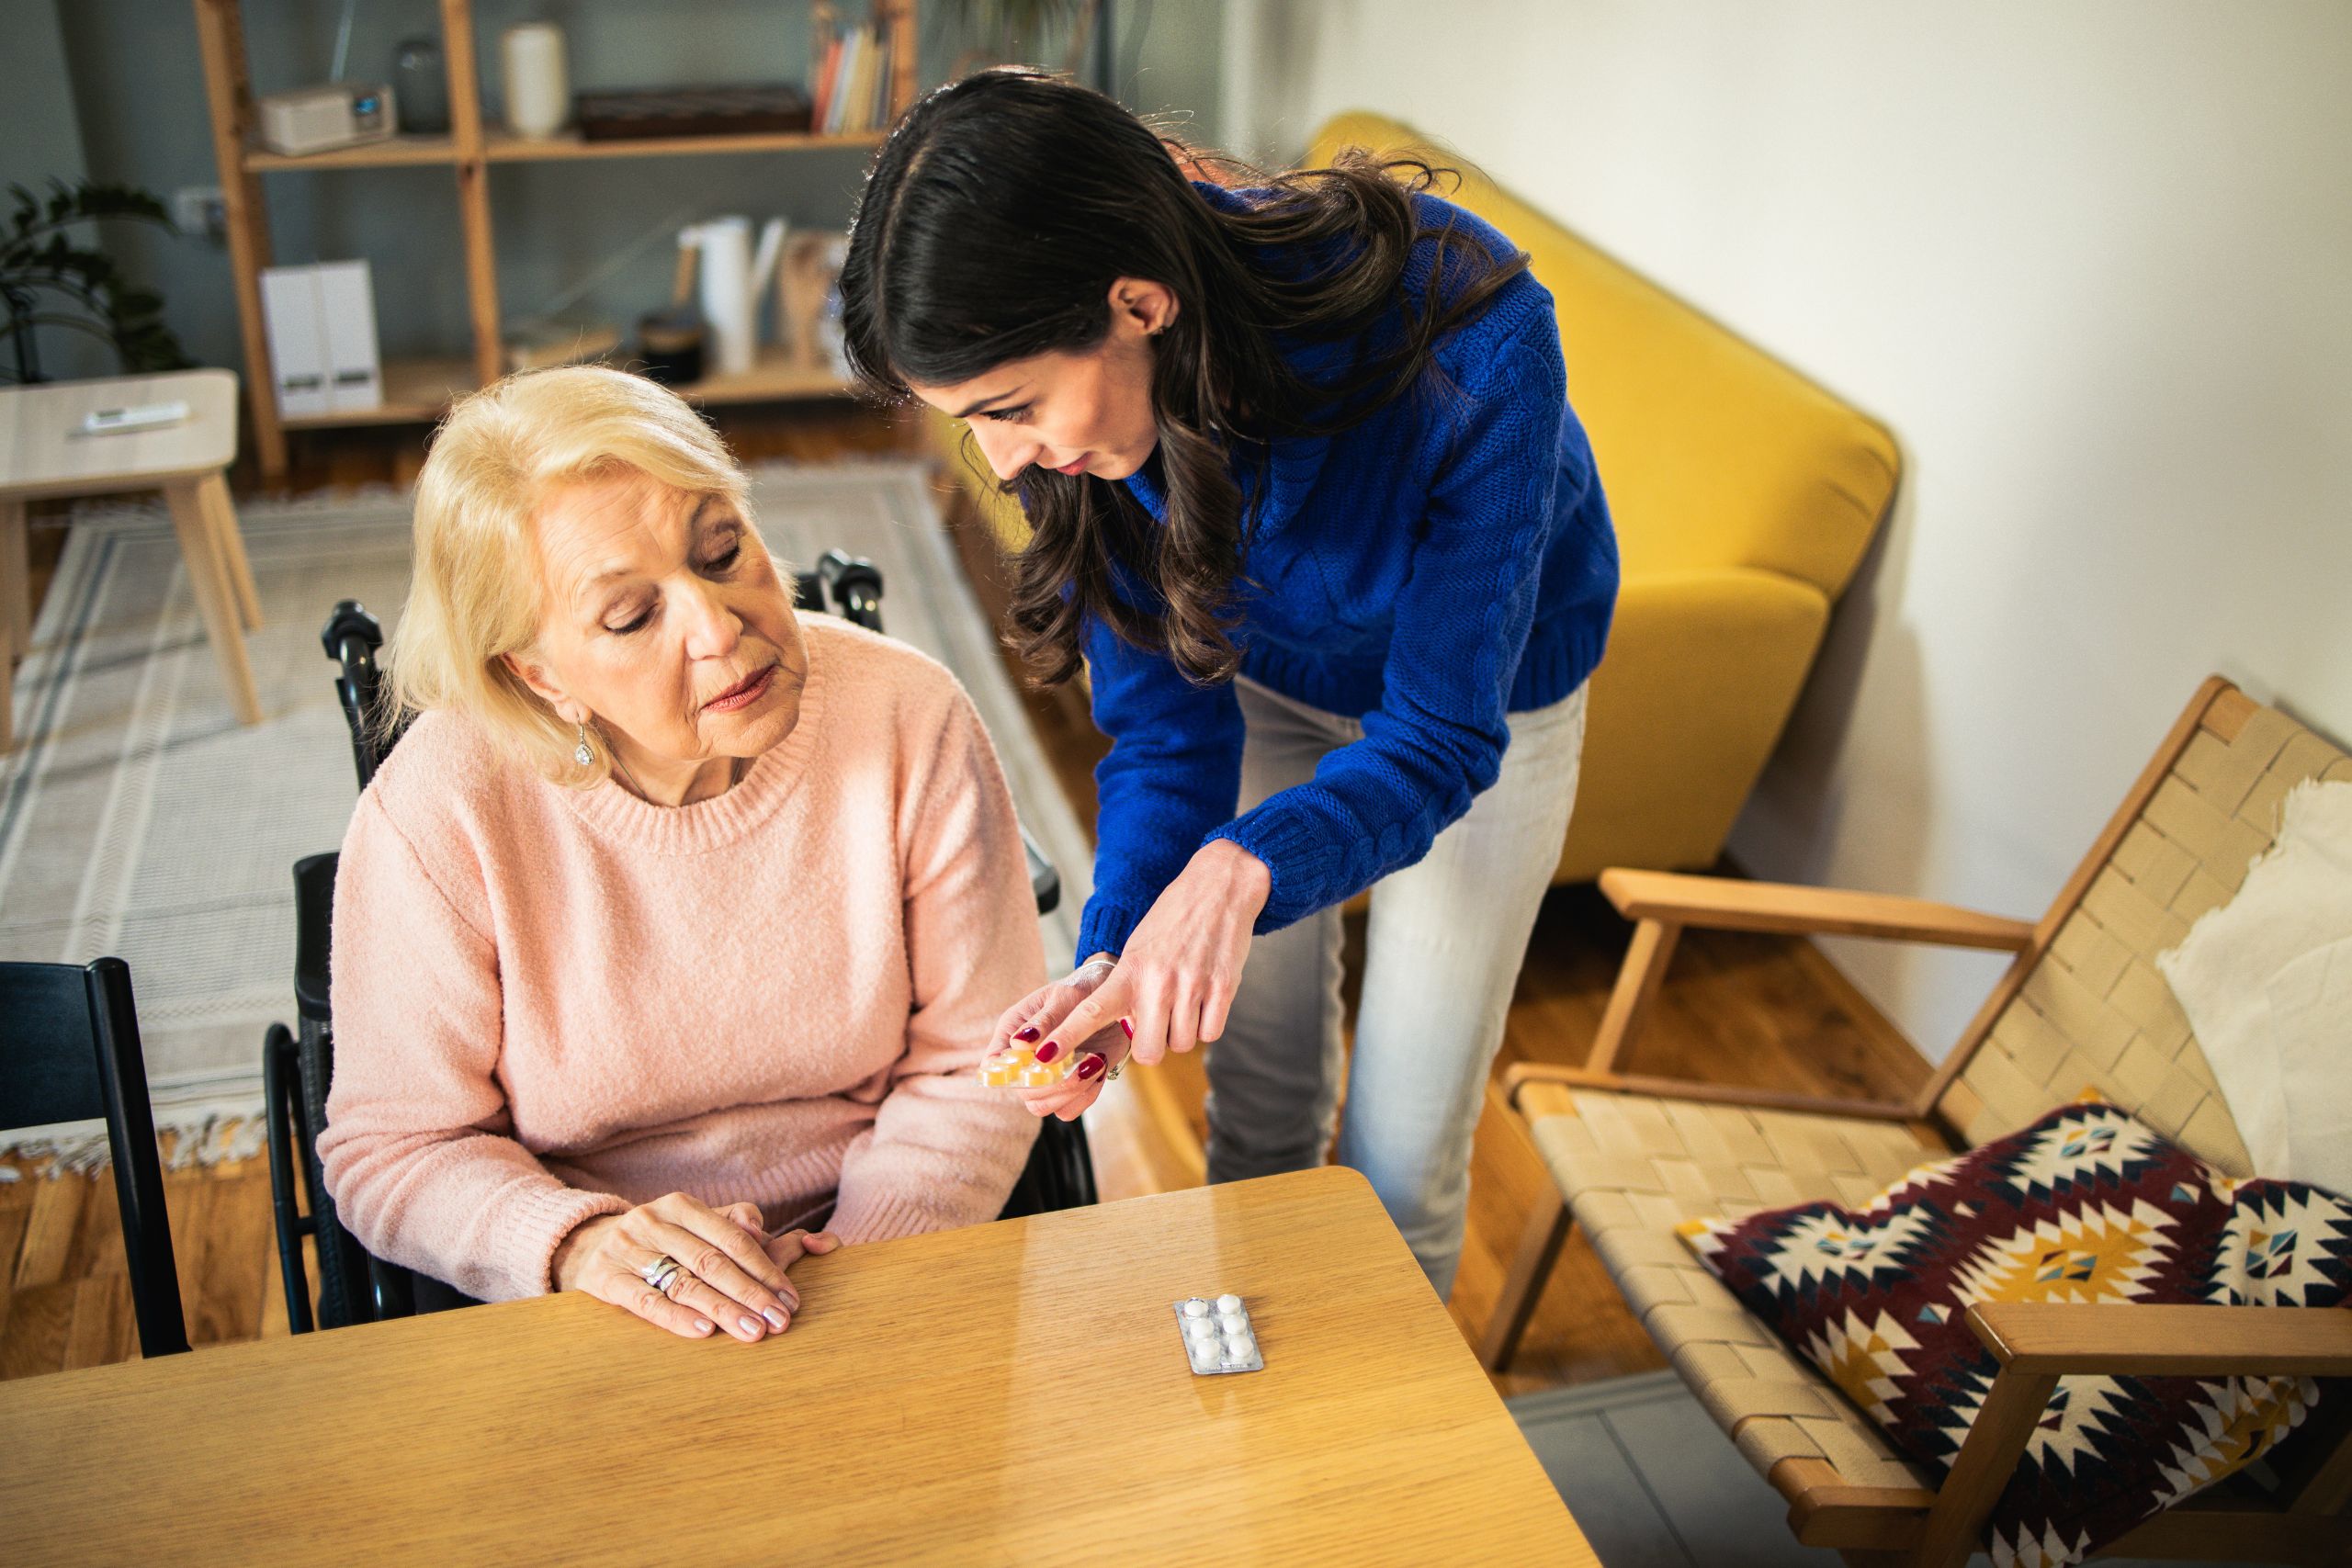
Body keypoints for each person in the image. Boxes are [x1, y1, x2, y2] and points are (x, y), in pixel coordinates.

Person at [839, 71, 1619, 1297]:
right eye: (971, 421)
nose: (1005, 459)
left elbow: (1435, 737)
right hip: (1259, 675)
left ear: (1139, 301)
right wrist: (1109, 958)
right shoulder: (1074, 425)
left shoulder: (1475, 334)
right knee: (1255, 1108)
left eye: (1011, 407)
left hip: (1484, 706)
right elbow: (1161, 737)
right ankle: (1265, 1452)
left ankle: (1378, 1462)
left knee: (1403, 1155)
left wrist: (1245, 863)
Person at [319, 366, 1043, 1340]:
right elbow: (396, 1148)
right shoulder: (442, 811)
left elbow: (978, 1060)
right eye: (631, 616)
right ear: (536, 675)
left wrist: (861, 1266)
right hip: (591, 1296)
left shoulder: (907, 715)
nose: (720, 626)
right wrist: (579, 1244)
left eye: (722, 550)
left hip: (886, 1252)